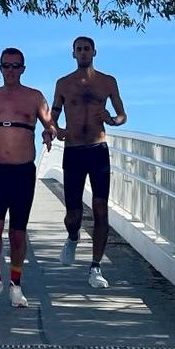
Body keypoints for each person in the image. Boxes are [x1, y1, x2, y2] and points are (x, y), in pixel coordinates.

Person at [52, 36, 127, 288]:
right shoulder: (63, 83)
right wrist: (56, 130)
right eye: (79, 49)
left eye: (87, 49)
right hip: (73, 150)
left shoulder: (107, 82)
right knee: (73, 213)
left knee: (100, 209)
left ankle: (95, 267)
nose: (83, 52)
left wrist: (111, 119)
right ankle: (73, 236)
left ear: (94, 52)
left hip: (97, 149)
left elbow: (122, 114)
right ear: (73, 53)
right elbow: (53, 115)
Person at [0, 47, 55, 307]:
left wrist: (48, 132)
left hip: (22, 171)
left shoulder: (34, 96)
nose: (10, 70)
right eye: (6, 66)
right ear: (0, 68)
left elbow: (50, 124)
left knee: (17, 233)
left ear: (23, 69)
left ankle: (16, 283)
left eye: (15, 66)